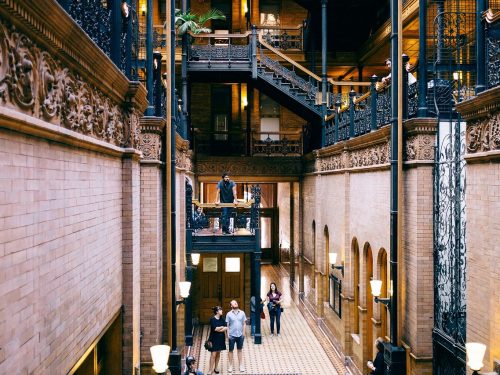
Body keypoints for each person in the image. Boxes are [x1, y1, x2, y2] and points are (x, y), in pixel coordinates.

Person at [225, 300, 247, 373]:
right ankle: (230, 365)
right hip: (232, 335)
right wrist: (228, 335)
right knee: (230, 350)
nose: (236, 303)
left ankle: (241, 365)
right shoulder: (228, 314)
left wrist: (243, 333)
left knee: (239, 350)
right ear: (231, 306)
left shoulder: (242, 313)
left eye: (236, 302)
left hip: (240, 335)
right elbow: (227, 326)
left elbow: (244, 323)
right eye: (234, 303)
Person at [208, 306, 227, 375]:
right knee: (213, 354)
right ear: (216, 312)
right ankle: (210, 370)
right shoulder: (212, 319)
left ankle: (216, 368)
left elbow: (226, 327)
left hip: (221, 339)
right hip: (214, 339)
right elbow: (214, 329)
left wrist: (220, 328)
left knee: (218, 353)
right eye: (220, 310)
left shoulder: (222, 319)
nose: (222, 311)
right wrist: (221, 328)